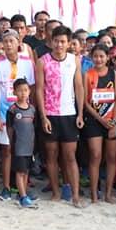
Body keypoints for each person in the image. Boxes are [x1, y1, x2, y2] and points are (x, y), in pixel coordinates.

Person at [35, 25, 85, 206]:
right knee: (51, 156)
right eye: (56, 41)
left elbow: (79, 87)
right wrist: (43, 117)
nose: (59, 45)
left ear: (69, 43)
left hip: (69, 114)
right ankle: (56, 192)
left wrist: (80, 114)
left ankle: (75, 195)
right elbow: (39, 89)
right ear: (51, 41)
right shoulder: (42, 61)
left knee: (70, 156)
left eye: (63, 41)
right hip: (50, 114)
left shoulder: (74, 60)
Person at [0, 30, 35, 201]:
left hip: (25, 115)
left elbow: (32, 88)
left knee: (24, 151)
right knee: (6, 150)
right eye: (5, 41)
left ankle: (22, 188)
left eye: (11, 41)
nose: (8, 45)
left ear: (18, 42)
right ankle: (6, 187)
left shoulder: (28, 63)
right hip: (4, 113)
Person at [82, 44, 116, 204]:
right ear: (91, 57)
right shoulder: (87, 74)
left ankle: (108, 193)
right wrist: (100, 119)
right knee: (95, 155)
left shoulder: (114, 74)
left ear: (108, 57)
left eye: (102, 56)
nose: (98, 59)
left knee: (111, 157)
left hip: (111, 120)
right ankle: (94, 195)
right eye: (96, 56)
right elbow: (85, 102)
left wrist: (113, 122)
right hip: (94, 120)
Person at [5, 79, 38, 209]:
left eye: (25, 90)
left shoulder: (33, 109)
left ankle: (22, 193)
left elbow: (34, 128)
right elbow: (9, 129)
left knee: (26, 171)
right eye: (19, 90)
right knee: (19, 172)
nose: (23, 93)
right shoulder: (12, 110)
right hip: (18, 146)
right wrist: (11, 143)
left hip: (30, 146)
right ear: (14, 92)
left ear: (29, 91)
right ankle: (23, 196)